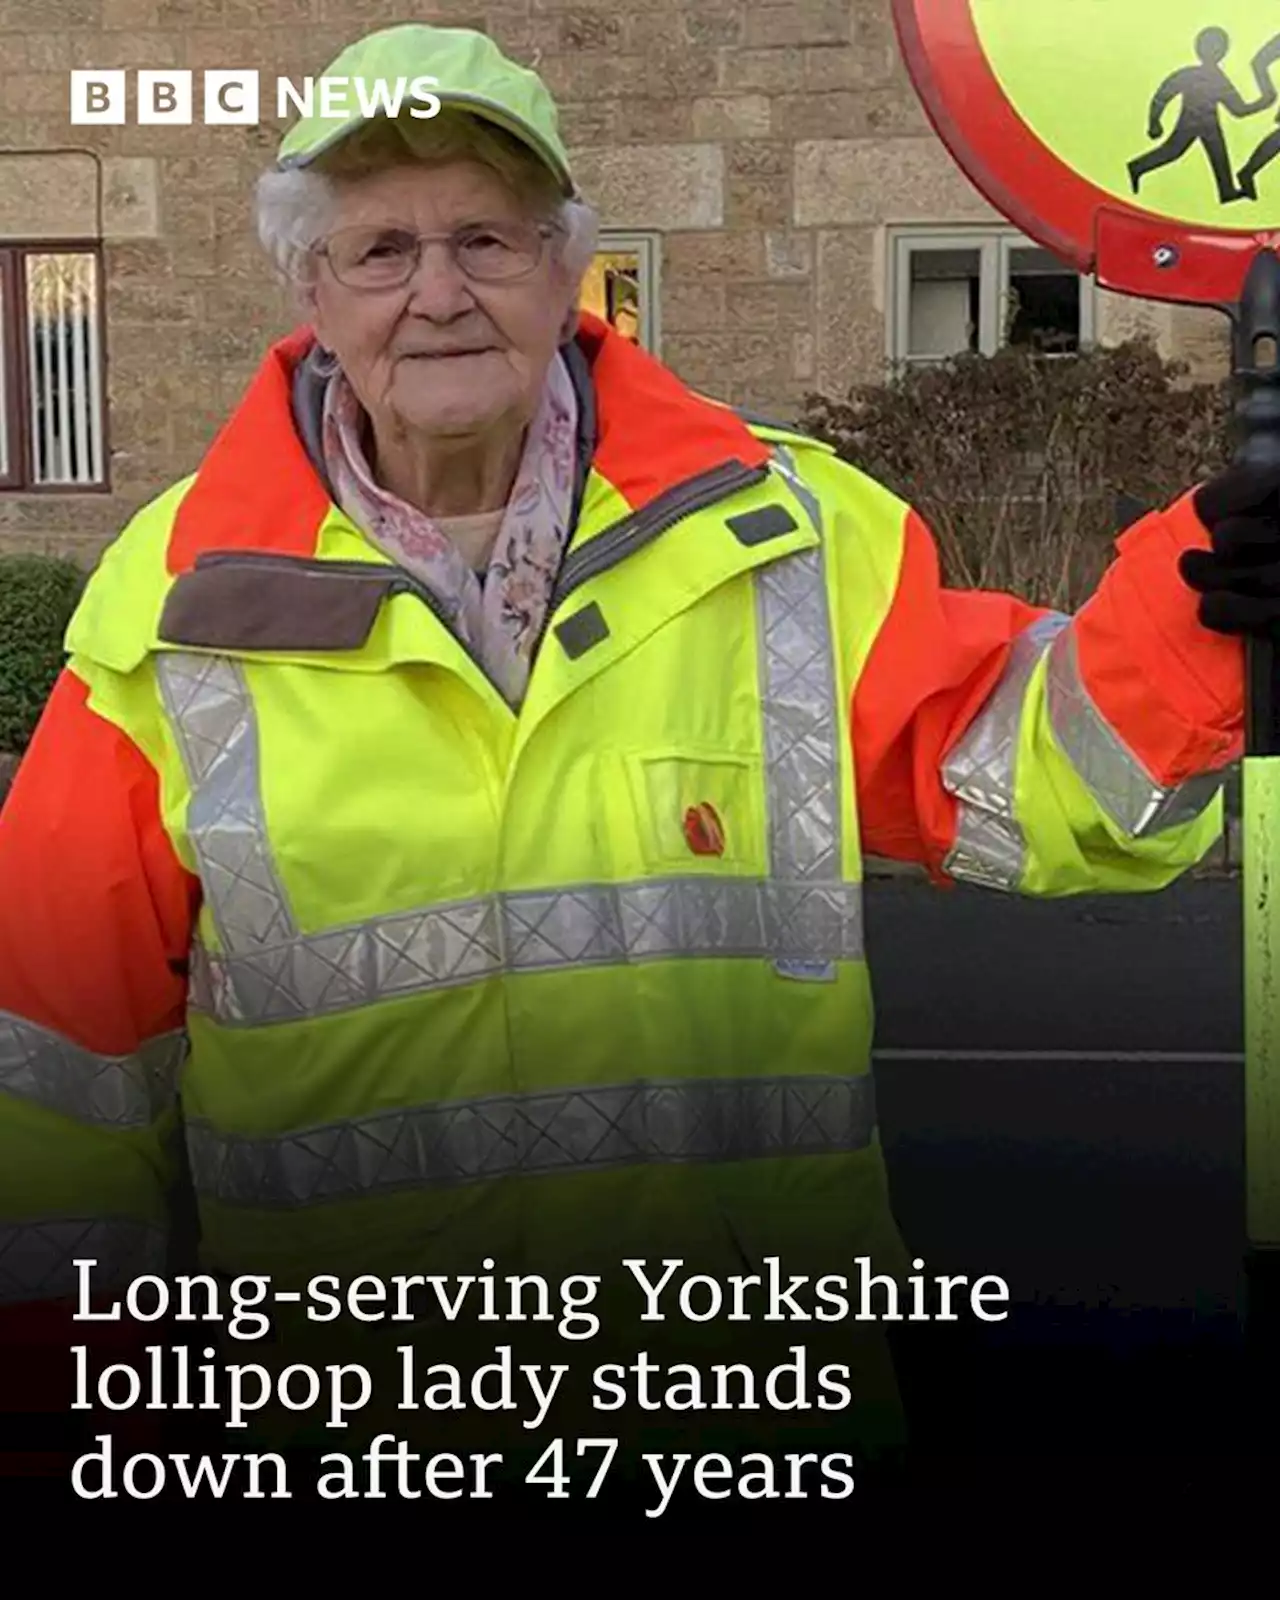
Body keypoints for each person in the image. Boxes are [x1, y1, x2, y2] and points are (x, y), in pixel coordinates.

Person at [0, 21, 1277, 1506]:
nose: (439, 292)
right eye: (381, 248)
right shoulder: (173, 607)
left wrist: (1206, 601)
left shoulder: (789, 530)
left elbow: (1033, 776)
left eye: (486, 236)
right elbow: (48, 1080)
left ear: (565, 267)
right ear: (310, 291)